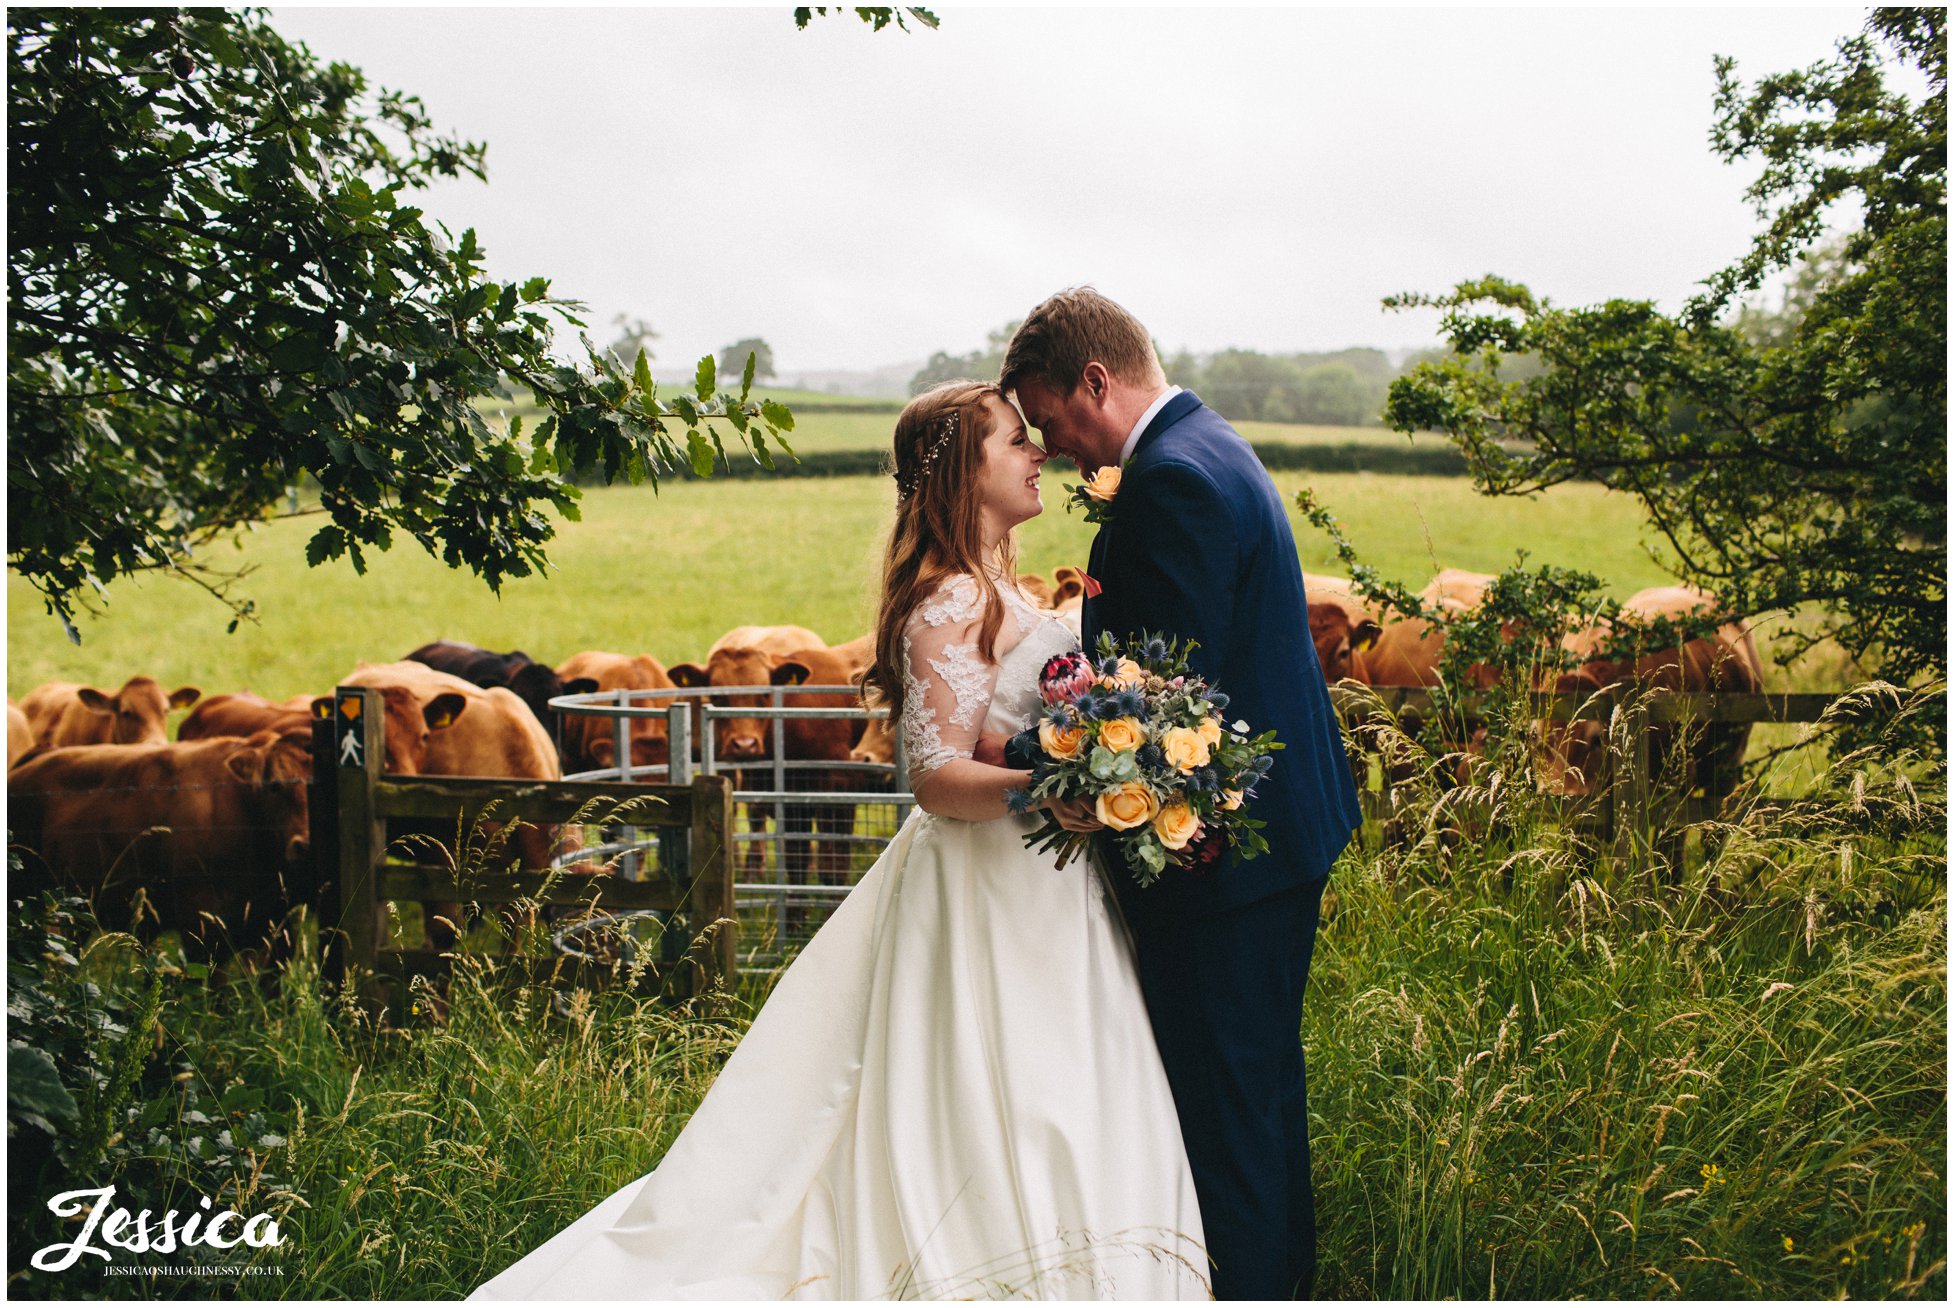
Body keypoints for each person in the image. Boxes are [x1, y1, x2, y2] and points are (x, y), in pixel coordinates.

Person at [470, 380, 1210, 1301]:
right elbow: (937, 779)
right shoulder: (946, 604)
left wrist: (1113, 754)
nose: (1039, 455)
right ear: (960, 472)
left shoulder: (1002, 590)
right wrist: (1052, 786)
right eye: (1016, 442)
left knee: (1078, 1082)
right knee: (1003, 1093)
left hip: (1054, 890)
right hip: (987, 889)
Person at [1000, 287, 1363, 1300]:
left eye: (1055, 420)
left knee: (1223, 1105)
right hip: (1271, 841)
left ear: (1096, 381)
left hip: (1226, 864)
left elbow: (1162, 698)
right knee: (1255, 1095)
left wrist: (1011, 754)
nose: (1058, 448)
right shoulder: (1210, 445)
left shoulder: (1170, 483)